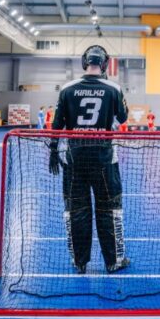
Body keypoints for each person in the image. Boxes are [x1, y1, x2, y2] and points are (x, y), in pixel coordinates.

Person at [49, 45, 130, 274]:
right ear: (104, 64)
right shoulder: (113, 88)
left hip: (74, 159)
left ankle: (80, 262)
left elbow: (57, 125)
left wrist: (53, 151)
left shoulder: (66, 89)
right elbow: (122, 118)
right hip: (104, 159)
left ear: (85, 62)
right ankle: (114, 261)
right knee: (109, 209)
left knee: (76, 210)